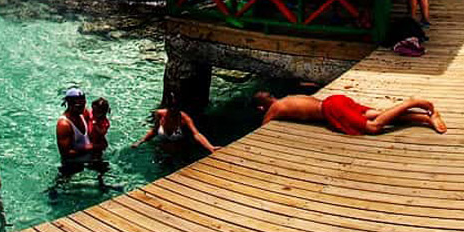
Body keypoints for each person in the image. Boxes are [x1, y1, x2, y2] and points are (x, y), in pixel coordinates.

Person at [255, 88, 445, 136]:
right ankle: (425, 118)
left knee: (374, 127)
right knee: (379, 115)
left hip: (331, 109)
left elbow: (262, 127)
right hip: (334, 100)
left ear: (261, 107)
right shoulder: (289, 97)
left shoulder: (275, 108)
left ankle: (412, 102)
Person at [49, 87, 109, 197]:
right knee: (60, 184)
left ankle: (104, 188)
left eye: (83, 104)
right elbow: (66, 153)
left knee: (104, 171)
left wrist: (101, 137)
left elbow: (94, 128)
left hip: (91, 156)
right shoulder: (64, 125)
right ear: (69, 104)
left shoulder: (83, 112)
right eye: (78, 106)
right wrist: (92, 147)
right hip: (73, 162)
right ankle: (52, 194)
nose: (82, 107)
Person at [130, 103, 217, 158]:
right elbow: (154, 130)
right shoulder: (159, 114)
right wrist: (141, 141)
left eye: (175, 112)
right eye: (171, 111)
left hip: (178, 150)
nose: (173, 114)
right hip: (162, 148)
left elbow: (196, 134)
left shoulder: (184, 118)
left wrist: (210, 147)